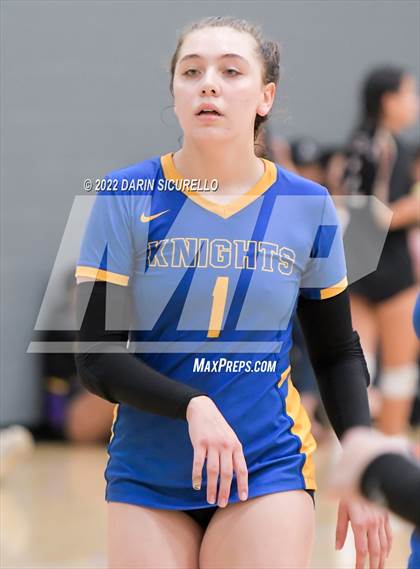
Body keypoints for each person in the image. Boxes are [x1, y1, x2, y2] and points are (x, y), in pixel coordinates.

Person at [75, 17, 390, 569]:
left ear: (266, 97)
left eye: (230, 71)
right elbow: (94, 356)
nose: (208, 84)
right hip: (148, 471)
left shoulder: (308, 204)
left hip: (268, 463)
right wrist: (191, 405)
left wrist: (360, 451)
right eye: (191, 72)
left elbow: (336, 350)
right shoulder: (122, 195)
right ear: (174, 94)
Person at [343, 66, 420, 435]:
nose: (415, 103)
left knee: (401, 369)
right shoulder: (367, 145)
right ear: (388, 101)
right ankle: (362, 456)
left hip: (395, 272)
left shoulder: (401, 147)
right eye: (410, 94)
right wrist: (410, 209)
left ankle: (392, 451)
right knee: (359, 369)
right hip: (364, 271)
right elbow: (362, 212)